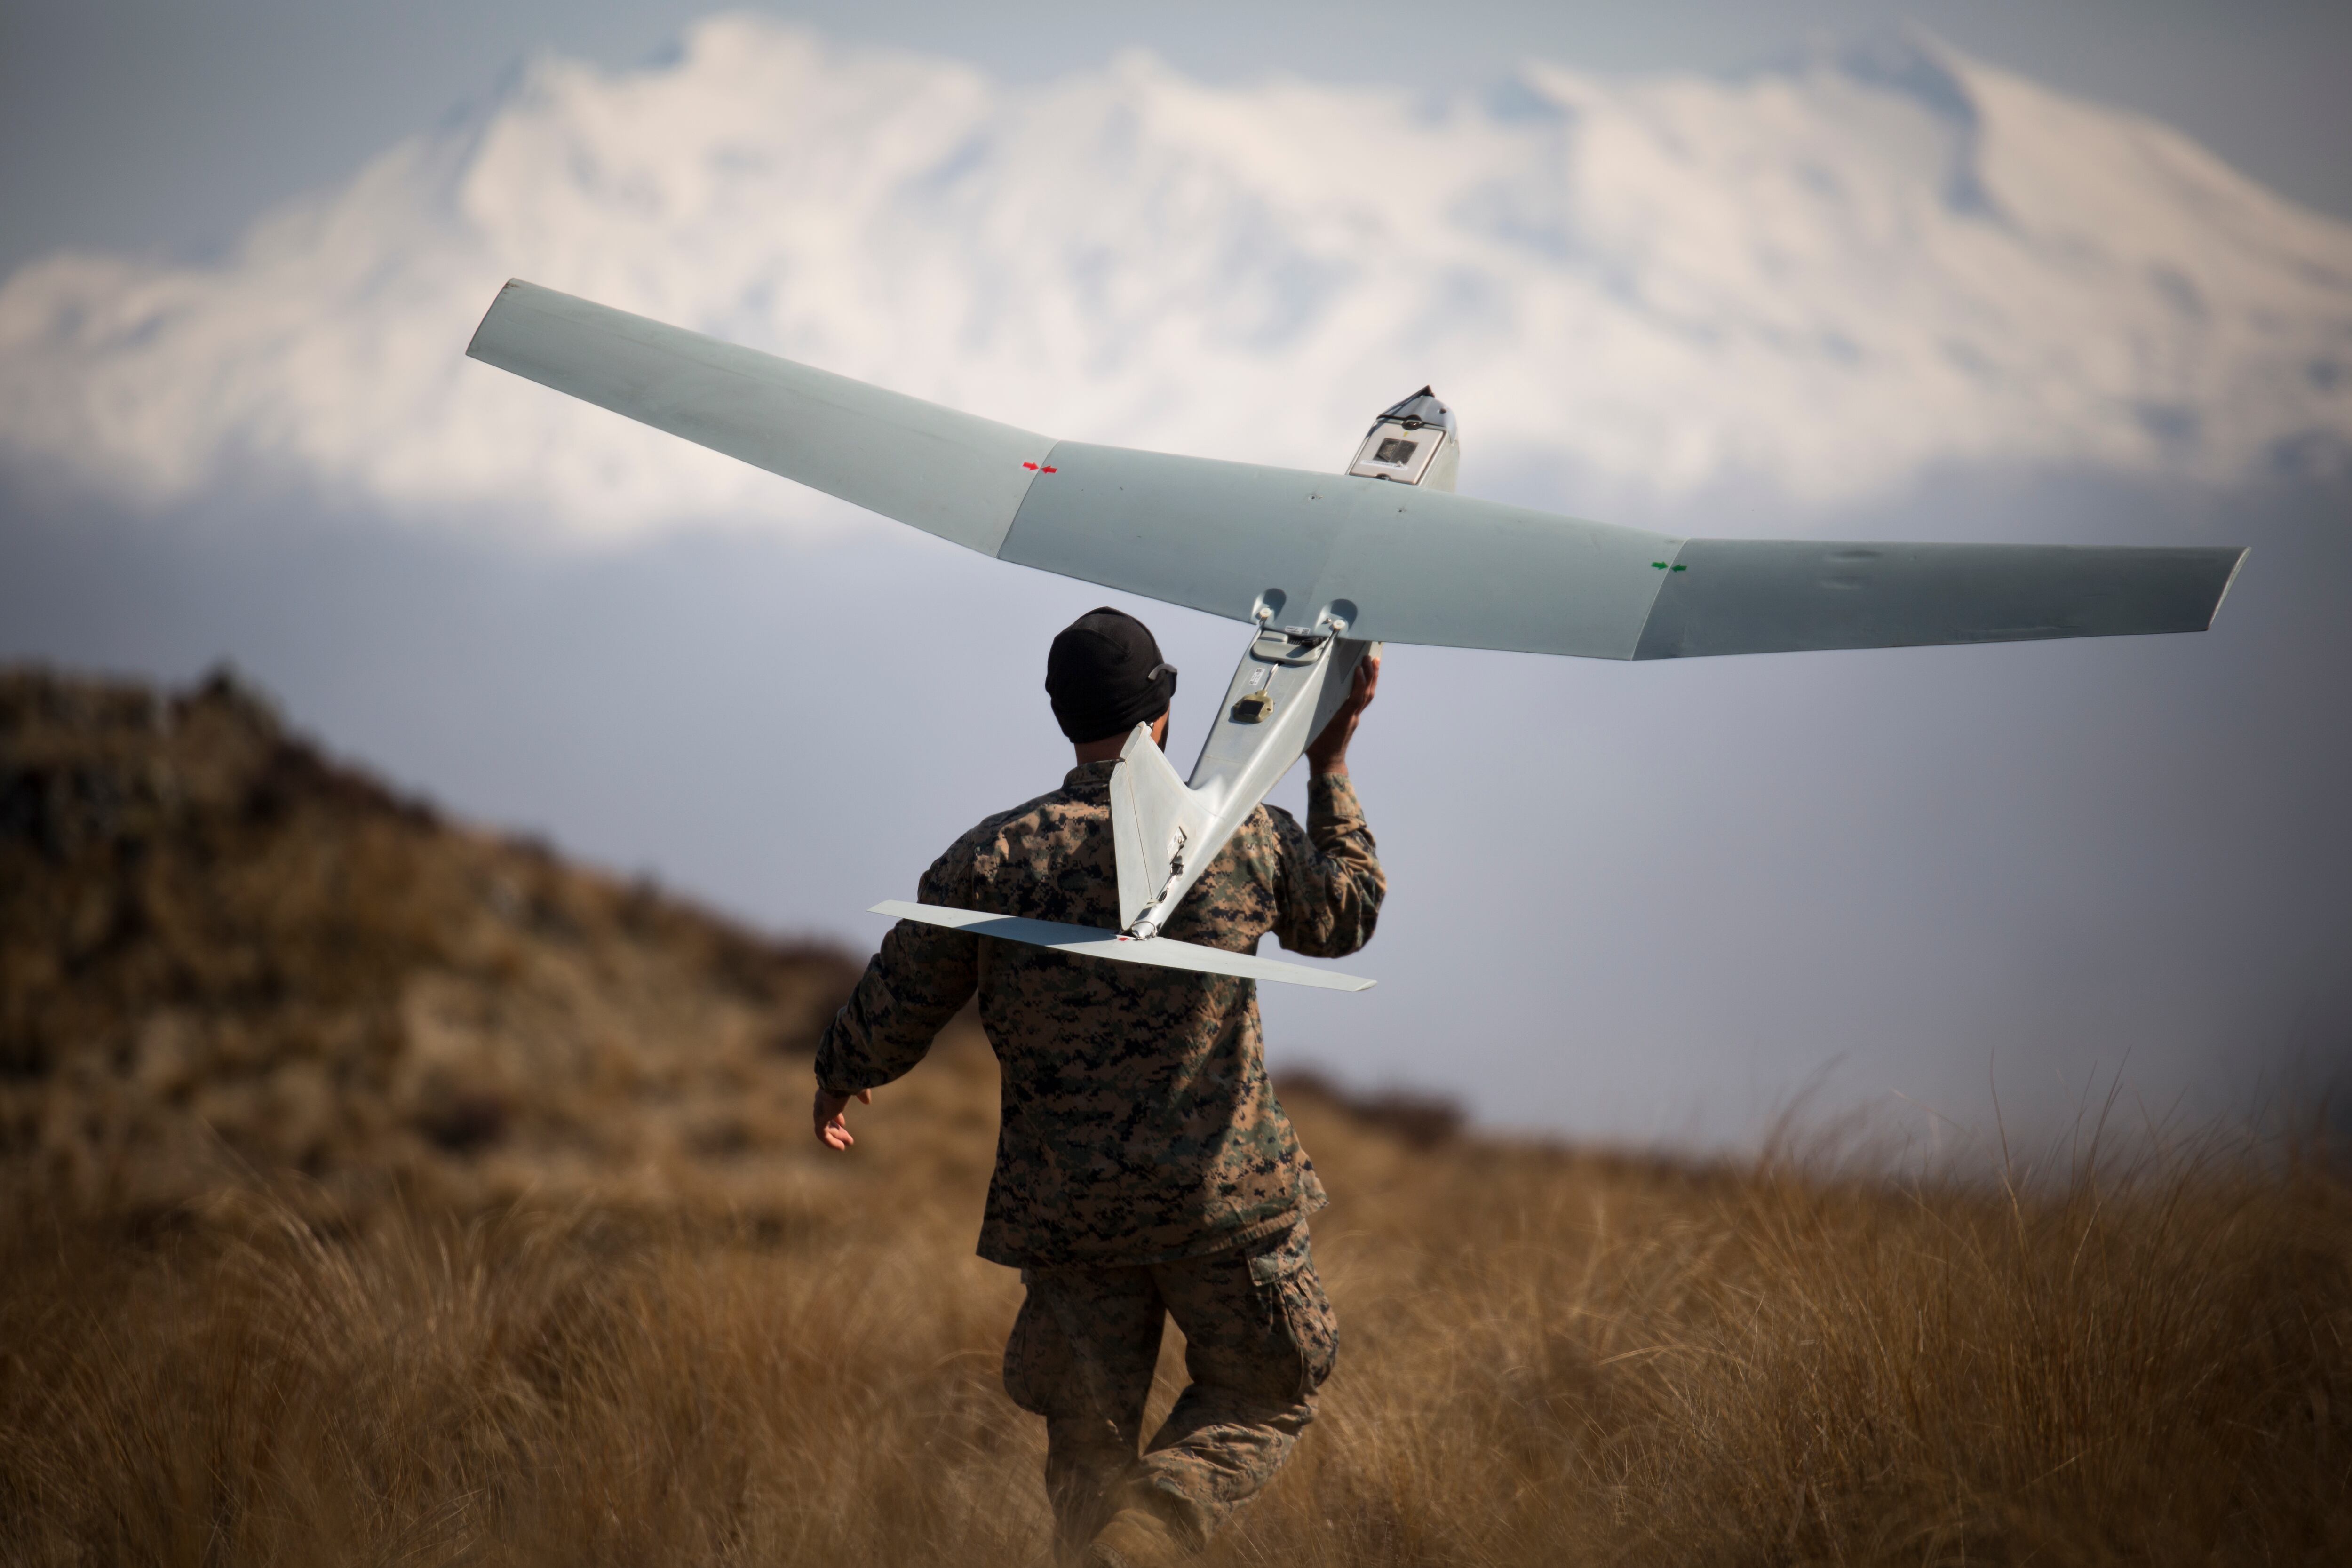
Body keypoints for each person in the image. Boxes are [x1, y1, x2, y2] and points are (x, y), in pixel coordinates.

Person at [811, 605, 1384, 1567]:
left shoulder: (993, 857)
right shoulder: (1236, 838)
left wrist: (841, 1073)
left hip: (1071, 1218)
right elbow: (1345, 915)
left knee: (1087, 1450)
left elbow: (902, 992)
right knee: (1265, 1391)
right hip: (1222, 1206)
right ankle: (1150, 1534)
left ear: (1063, 716)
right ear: (1163, 710)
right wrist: (1330, 765)